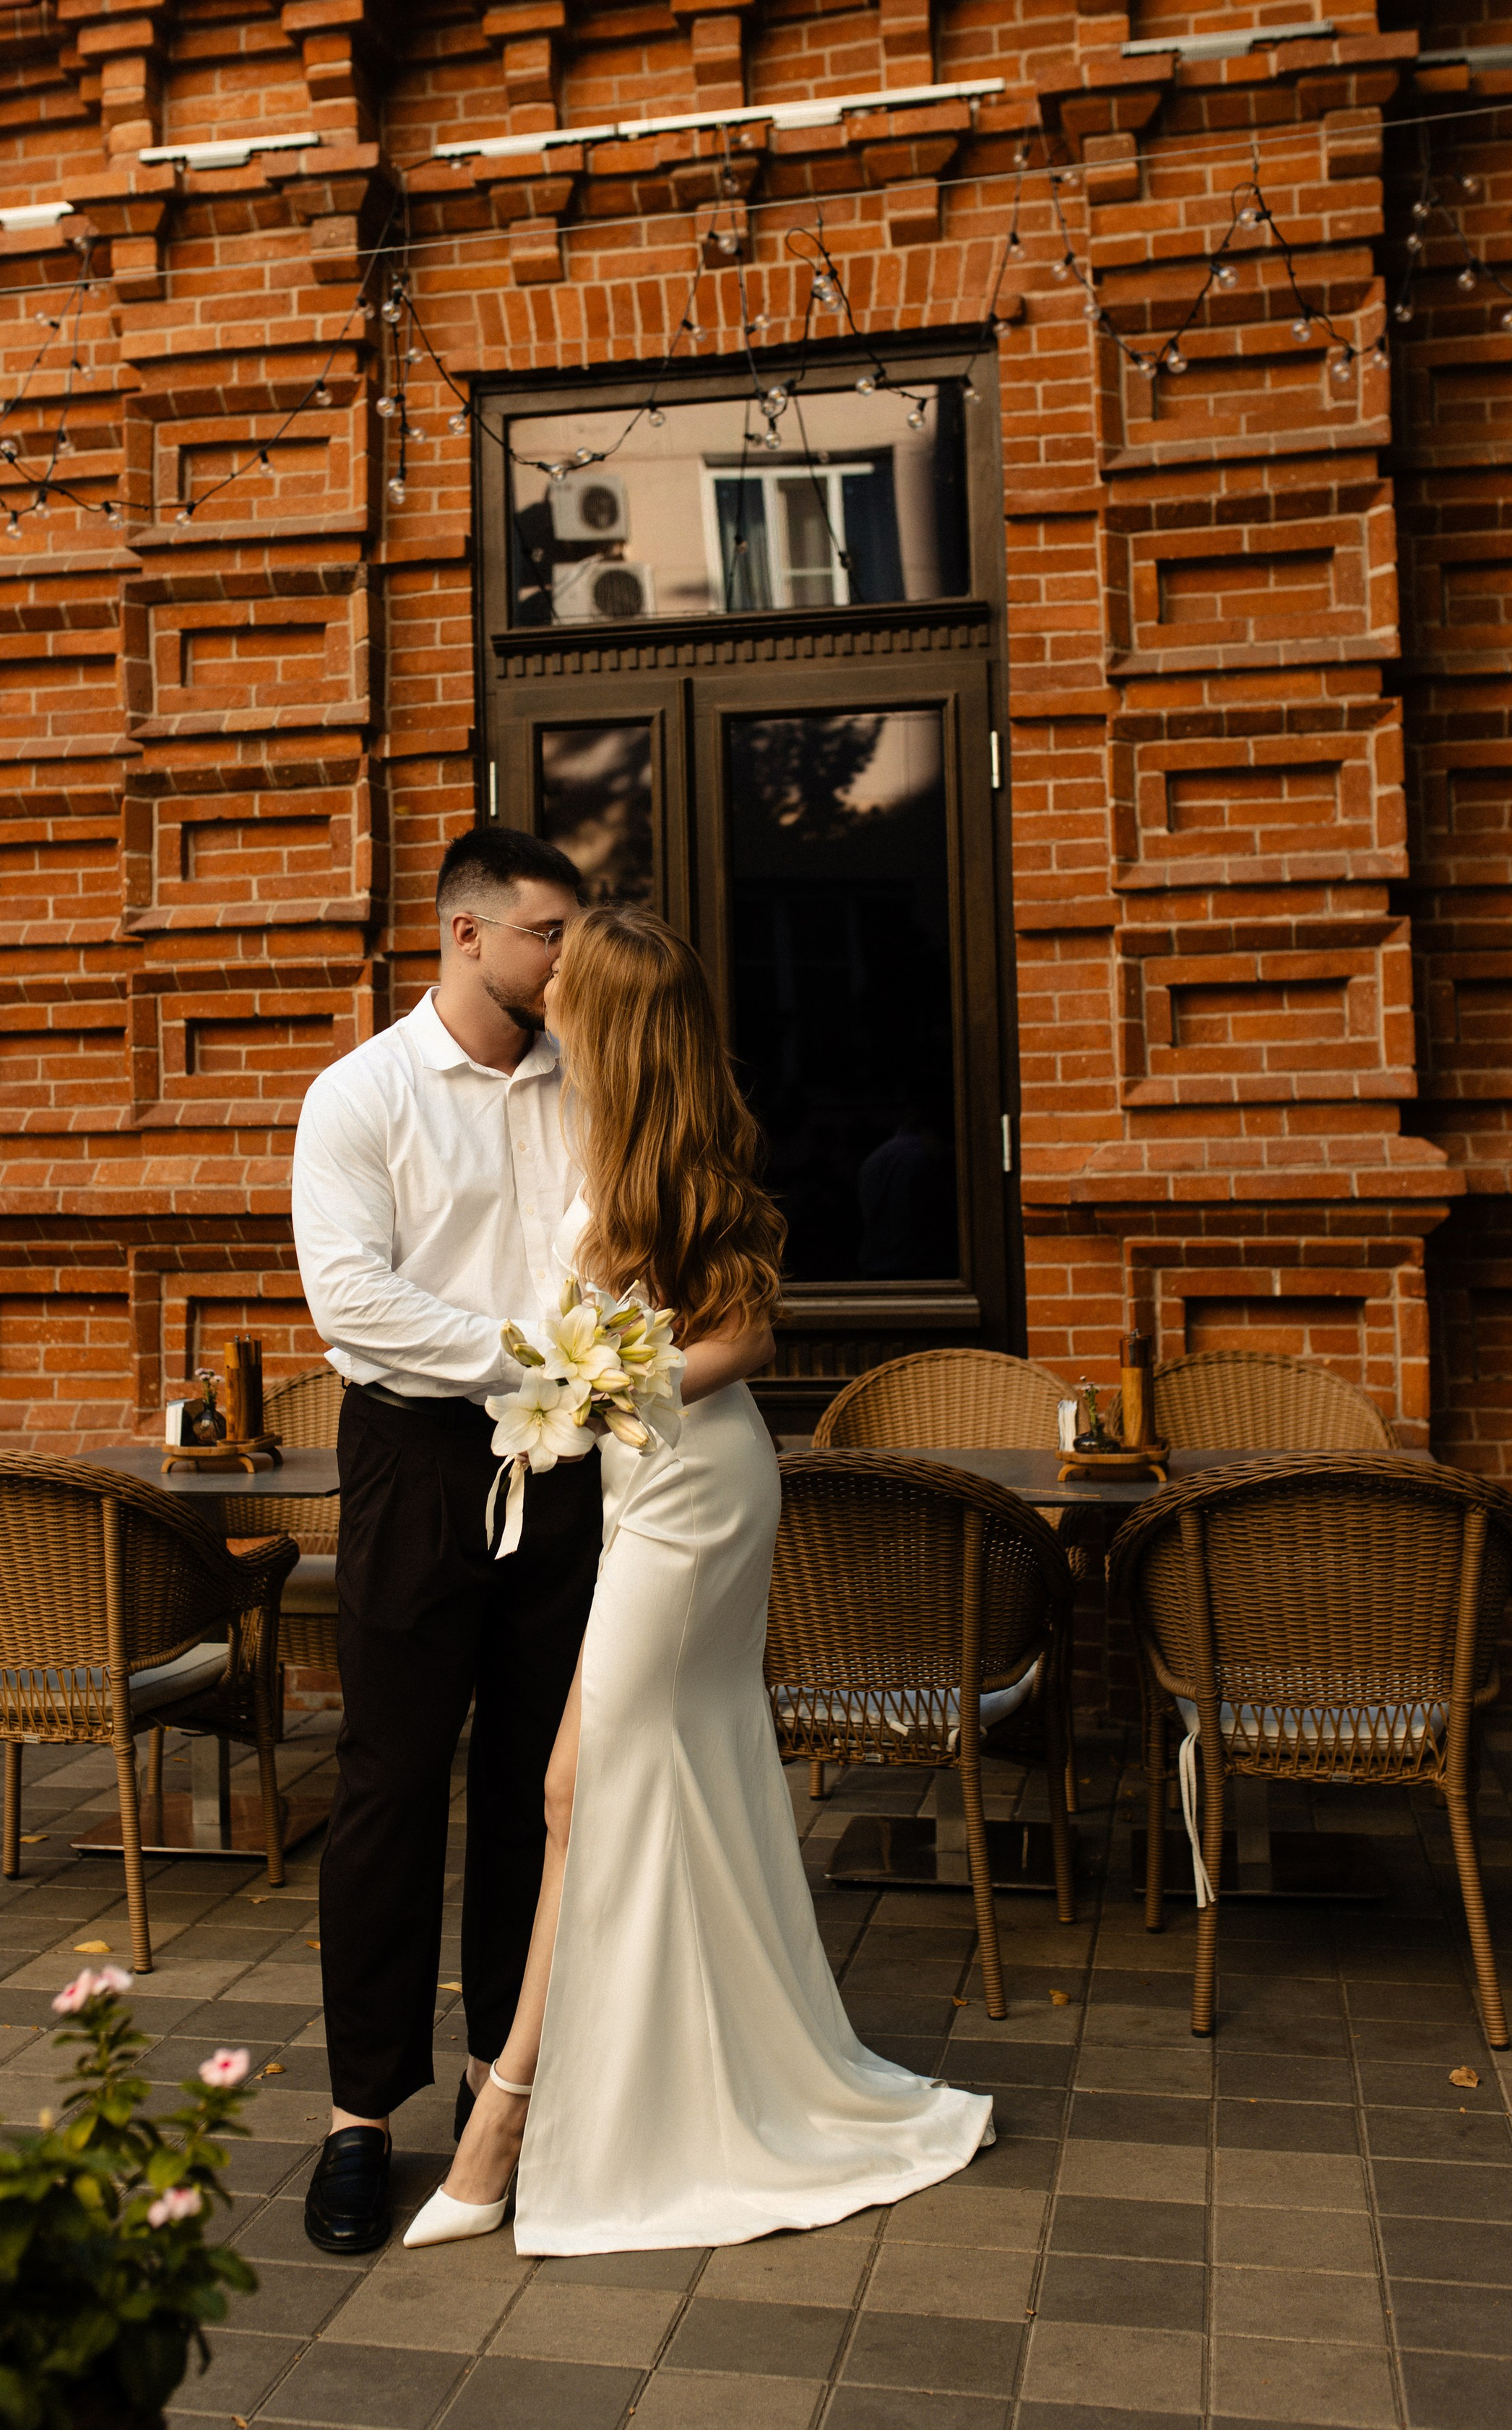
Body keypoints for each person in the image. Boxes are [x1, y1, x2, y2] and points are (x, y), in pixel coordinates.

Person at [402, 903, 993, 2255]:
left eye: (572, 974)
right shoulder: (596, 1127)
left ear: (612, 1012)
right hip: (639, 1490)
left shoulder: (679, 1152)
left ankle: (506, 2119)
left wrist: (608, 1377)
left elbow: (748, 1335)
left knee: (573, 1782)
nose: (548, 980)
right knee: (630, 1780)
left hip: (698, 1495)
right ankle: (639, 2076)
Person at [288, 825, 601, 2256]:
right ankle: (361, 2115)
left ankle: (500, 2086)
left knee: (545, 1784)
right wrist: (534, 1353)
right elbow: (352, 1304)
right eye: (546, 931)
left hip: (570, 1467)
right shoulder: (358, 1096)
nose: (566, 955)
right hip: (417, 1464)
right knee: (391, 1784)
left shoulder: (584, 1081)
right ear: (465, 935)